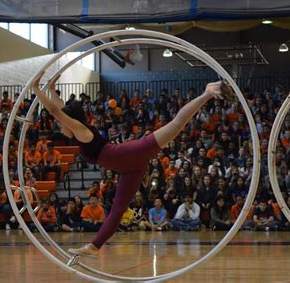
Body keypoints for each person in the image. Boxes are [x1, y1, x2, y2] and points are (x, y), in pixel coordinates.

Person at [33, 74, 233, 257]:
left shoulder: (80, 130)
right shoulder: (78, 128)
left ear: (69, 121)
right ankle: (94, 247)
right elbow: (59, 109)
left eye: (61, 124)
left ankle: (207, 92)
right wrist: (50, 88)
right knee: (118, 210)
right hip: (130, 167)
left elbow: (54, 110)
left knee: (177, 124)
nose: (60, 127)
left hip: (131, 153)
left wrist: (35, 87)